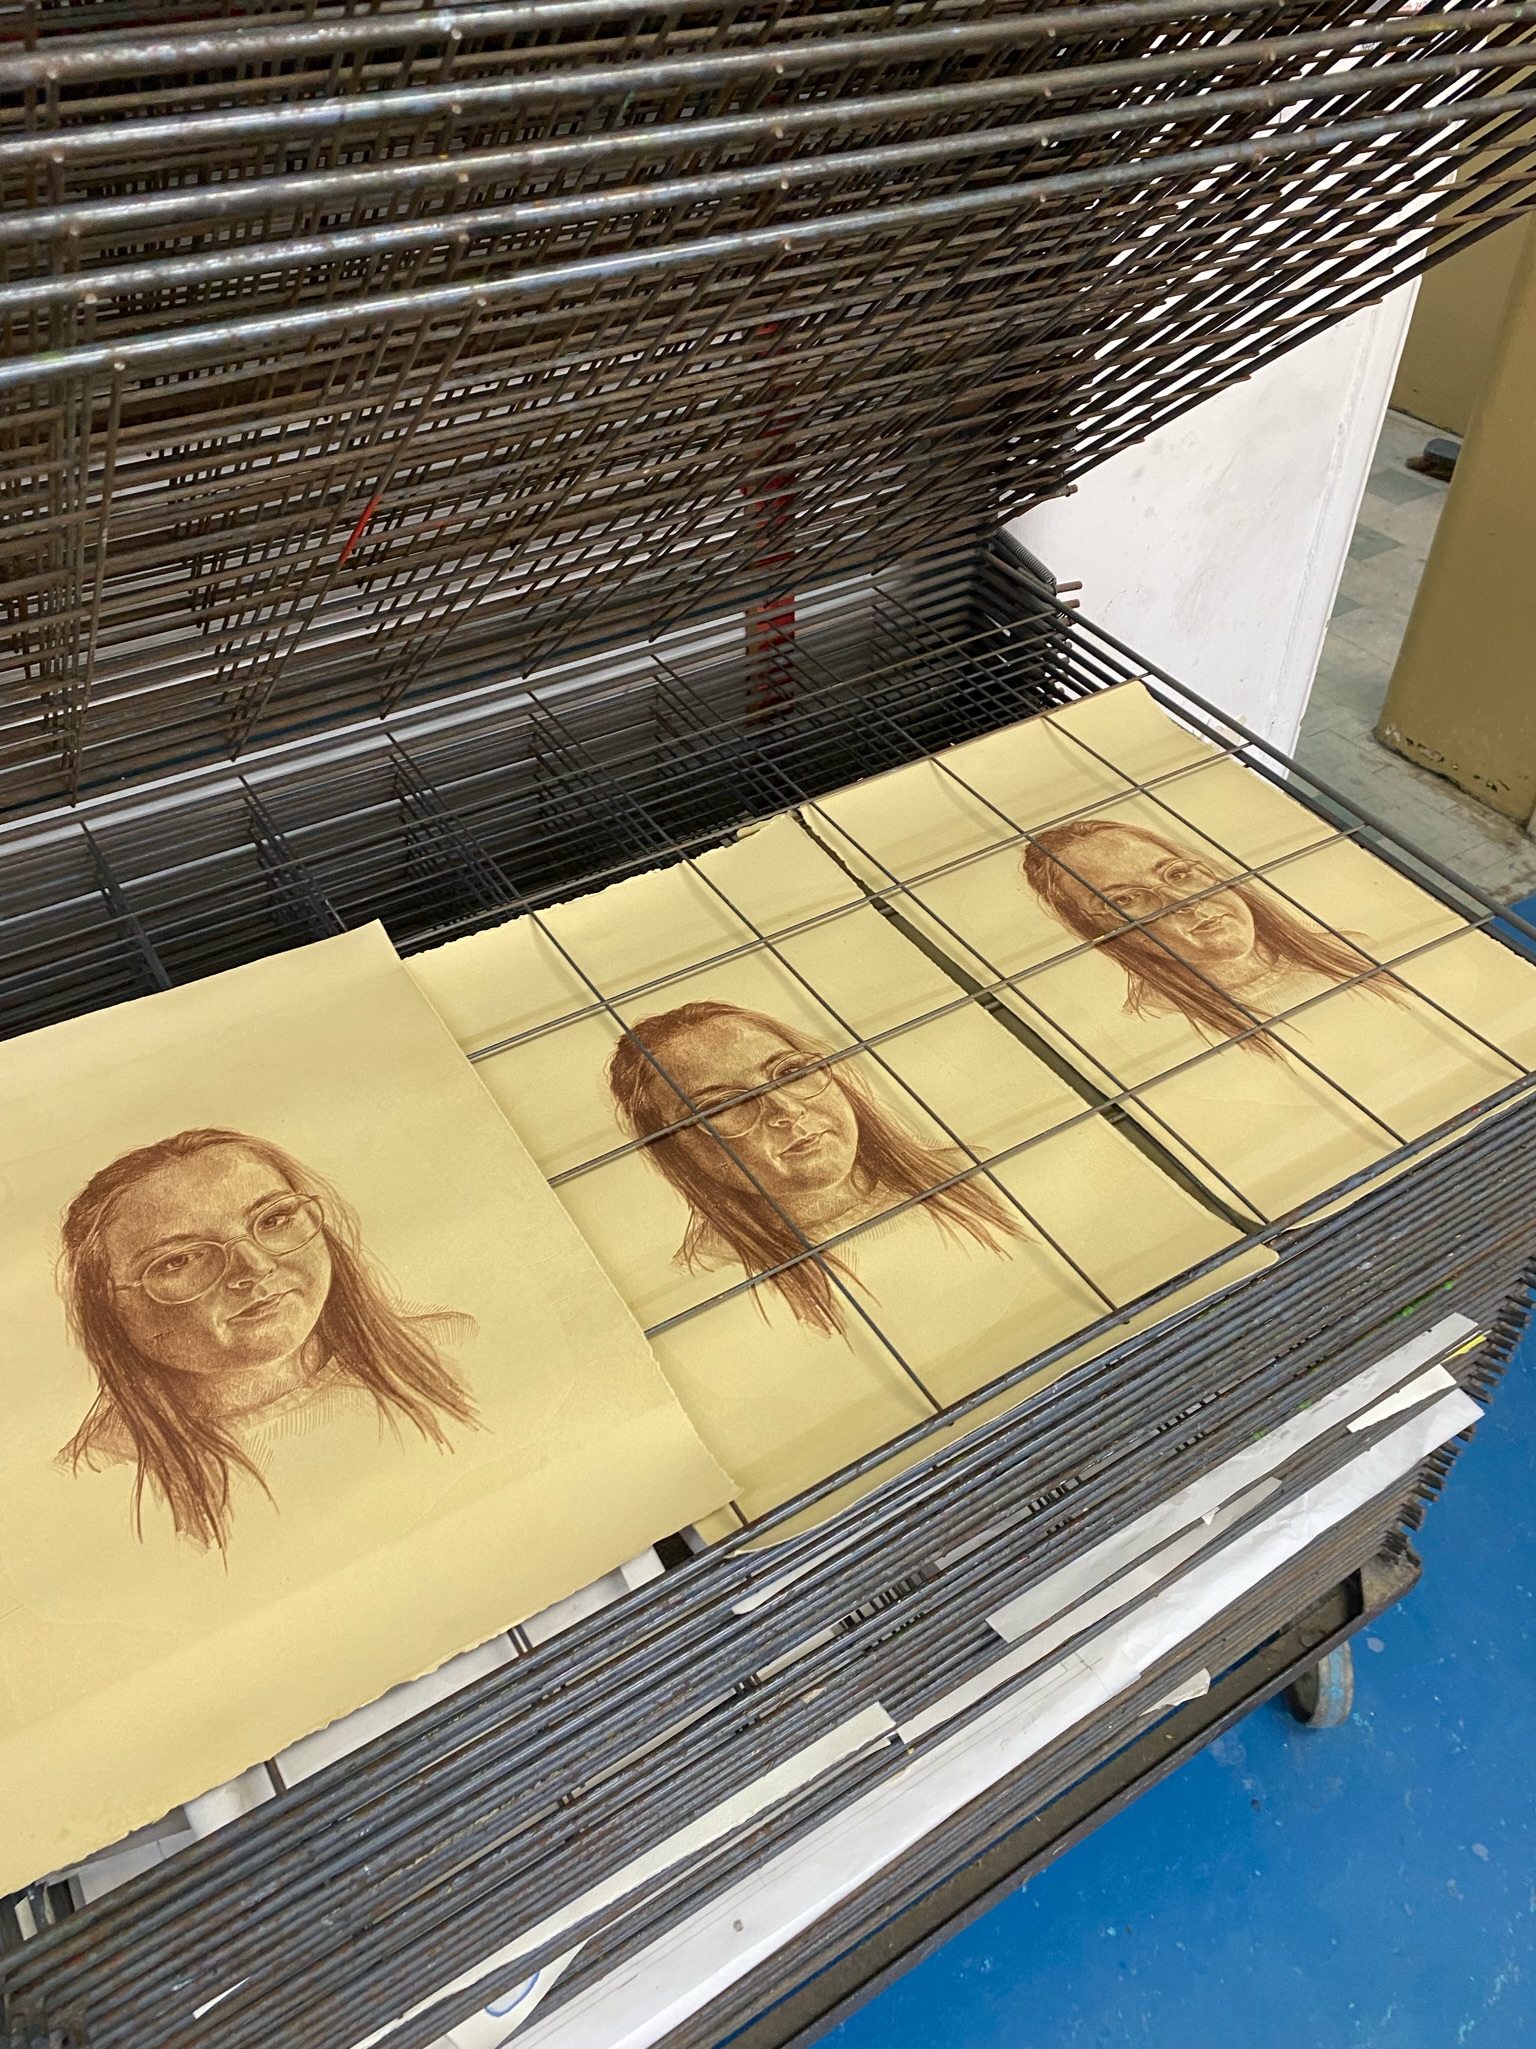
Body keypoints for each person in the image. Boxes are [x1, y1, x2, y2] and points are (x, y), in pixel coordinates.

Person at [57, 1127, 478, 1550]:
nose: (255, 1267)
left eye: (274, 1220)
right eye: (180, 1260)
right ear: (108, 1304)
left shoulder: (453, 1349)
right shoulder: (102, 1473)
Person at [607, 999, 1020, 1337]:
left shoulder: (975, 1173)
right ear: (677, 1150)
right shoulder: (708, 1277)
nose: (786, 1109)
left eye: (790, 1072)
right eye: (721, 1106)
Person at [1021, 818, 1399, 1056]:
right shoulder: (1157, 1026)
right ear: (1098, 930)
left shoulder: (1353, 949)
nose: (1183, 902)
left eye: (1178, 874)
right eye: (1126, 899)